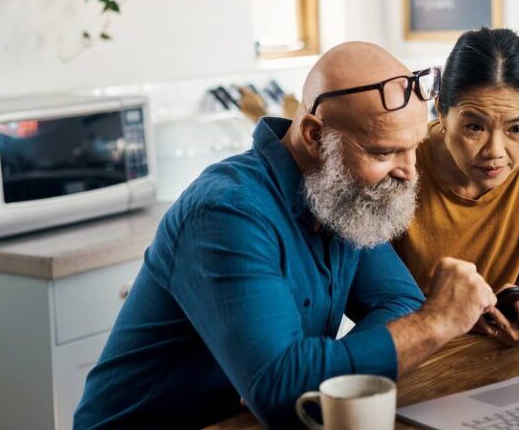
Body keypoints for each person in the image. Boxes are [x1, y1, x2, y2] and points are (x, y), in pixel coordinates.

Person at [74, 42, 497, 429]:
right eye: (384, 152)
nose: (409, 172)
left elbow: (401, 301)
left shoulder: (342, 196)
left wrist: (312, 374)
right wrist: (437, 322)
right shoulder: (226, 213)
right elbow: (283, 390)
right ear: (315, 136)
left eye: (412, 148)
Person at [394, 28, 519, 347]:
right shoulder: (400, 162)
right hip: (414, 342)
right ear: (442, 111)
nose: (495, 152)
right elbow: (378, 300)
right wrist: (447, 317)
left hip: (498, 348)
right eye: (475, 127)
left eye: (517, 128)